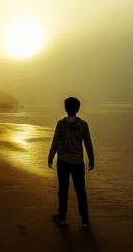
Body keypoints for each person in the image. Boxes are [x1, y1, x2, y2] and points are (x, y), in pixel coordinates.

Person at [48, 97, 94, 228]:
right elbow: (88, 144)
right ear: (78, 109)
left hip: (63, 161)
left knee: (63, 189)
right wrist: (91, 158)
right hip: (78, 162)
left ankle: (62, 217)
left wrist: (50, 156)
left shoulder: (61, 124)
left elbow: (56, 143)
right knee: (81, 191)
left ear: (65, 108)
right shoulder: (84, 125)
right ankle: (84, 219)